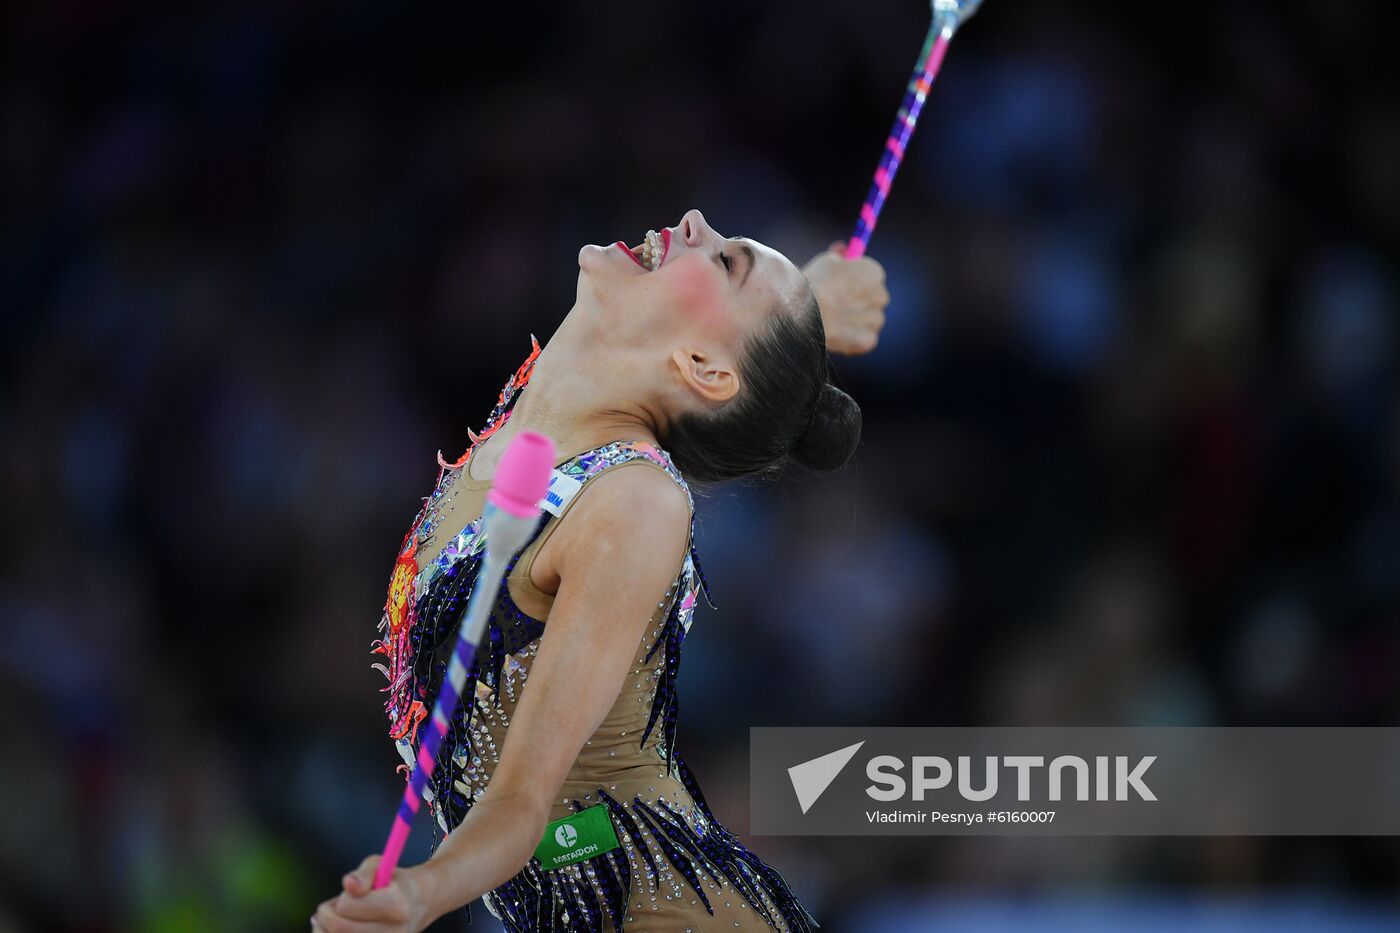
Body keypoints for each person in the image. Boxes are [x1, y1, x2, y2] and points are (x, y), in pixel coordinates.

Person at [313, 209, 889, 932]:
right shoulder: (542, 406)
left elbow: (522, 801)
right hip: (576, 897)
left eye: (725, 261)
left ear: (705, 369)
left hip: (656, 908)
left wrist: (421, 894)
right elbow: (720, 358)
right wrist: (807, 306)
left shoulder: (631, 505)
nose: (694, 220)